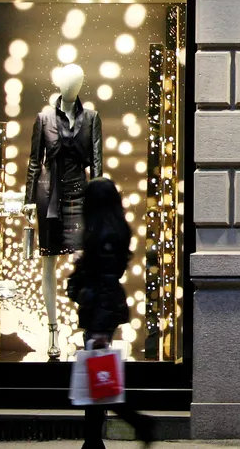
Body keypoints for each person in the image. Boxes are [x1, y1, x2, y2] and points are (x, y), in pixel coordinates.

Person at [67, 177, 155, 449]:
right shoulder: (113, 229)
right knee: (97, 376)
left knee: (99, 377)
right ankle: (94, 441)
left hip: (100, 310)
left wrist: (102, 329)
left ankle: (134, 423)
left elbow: (104, 279)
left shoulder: (104, 234)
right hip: (101, 307)